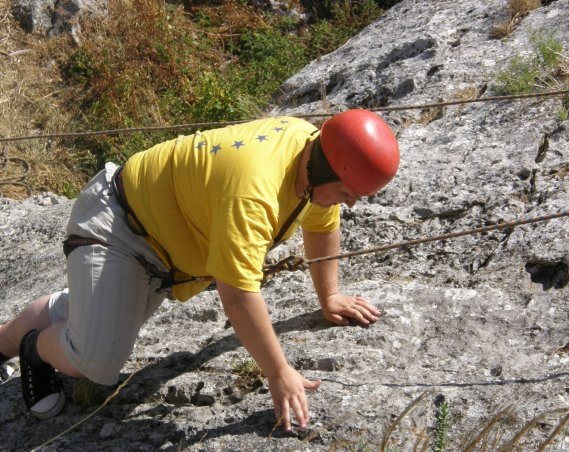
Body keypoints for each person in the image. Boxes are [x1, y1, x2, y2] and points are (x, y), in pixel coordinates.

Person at [0, 109, 400, 430]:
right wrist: (278, 372)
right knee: (96, 361)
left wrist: (330, 296)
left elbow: (322, 226)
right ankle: (33, 349)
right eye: (347, 193)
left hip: (157, 243)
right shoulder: (254, 190)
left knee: (91, 318)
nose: (350, 204)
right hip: (119, 227)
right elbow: (238, 295)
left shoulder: (313, 153)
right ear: (323, 168)